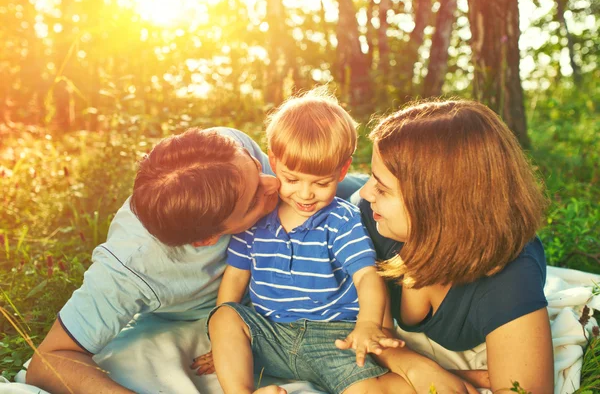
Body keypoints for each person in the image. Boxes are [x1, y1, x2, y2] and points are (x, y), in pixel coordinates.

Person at [26, 127, 281, 393]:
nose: (274, 183)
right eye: (253, 202)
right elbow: (49, 360)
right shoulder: (130, 267)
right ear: (206, 239)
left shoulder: (231, 151)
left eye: (254, 164)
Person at [204, 90, 406, 394]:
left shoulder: (342, 220)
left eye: (321, 183)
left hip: (333, 339)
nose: (306, 194)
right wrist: (223, 343)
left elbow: (366, 275)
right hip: (270, 335)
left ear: (342, 170)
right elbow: (235, 277)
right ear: (273, 161)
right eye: (292, 179)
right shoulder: (256, 217)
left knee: (371, 390)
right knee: (223, 317)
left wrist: (367, 323)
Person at [356, 99, 554, 392]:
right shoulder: (369, 216)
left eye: (382, 188)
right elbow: (357, 331)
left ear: (436, 205)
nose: (368, 193)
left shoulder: (509, 278)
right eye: (374, 179)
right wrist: (414, 365)